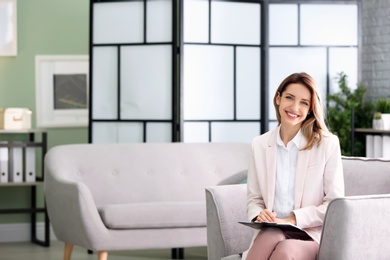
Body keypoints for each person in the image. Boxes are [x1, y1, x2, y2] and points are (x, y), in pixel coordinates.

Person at [242, 72, 345, 260]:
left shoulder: (327, 144)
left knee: (285, 251)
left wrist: (292, 219)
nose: (295, 107)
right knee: (270, 235)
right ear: (278, 98)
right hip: (273, 230)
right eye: (289, 98)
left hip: (311, 234)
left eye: (304, 103)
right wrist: (260, 215)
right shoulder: (260, 144)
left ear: (311, 109)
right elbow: (254, 200)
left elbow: (334, 205)